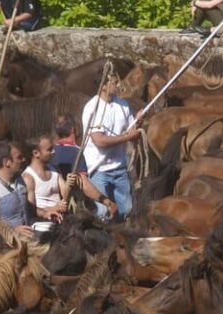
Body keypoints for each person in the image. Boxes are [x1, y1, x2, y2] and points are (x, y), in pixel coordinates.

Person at [81, 72, 143, 222]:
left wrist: (138, 121)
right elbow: (99, 141)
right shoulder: (92, 108)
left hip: (119, 168)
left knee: (126, 209)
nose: (119, 85)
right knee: (102, 213)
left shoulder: (123, 105)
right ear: (103, 86)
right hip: (98, 169)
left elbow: (130, 130)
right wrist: (127, 137)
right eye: (114, 83)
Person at [51, 114, 118, 220]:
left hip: (51, 205)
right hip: (68, 207)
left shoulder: (50, 151)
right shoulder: (76, 152)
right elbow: (85, 185)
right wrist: (107, 202)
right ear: (74, 130)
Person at [21, 135, 76, 223]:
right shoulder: (28, 177)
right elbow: (30, 210)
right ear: (36, 153)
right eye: (49, 150)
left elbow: (65, 195)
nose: (53, 152)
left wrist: (69, 184)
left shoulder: (54, 169)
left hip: (61, 221)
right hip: (43, 224)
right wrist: (54, 208)